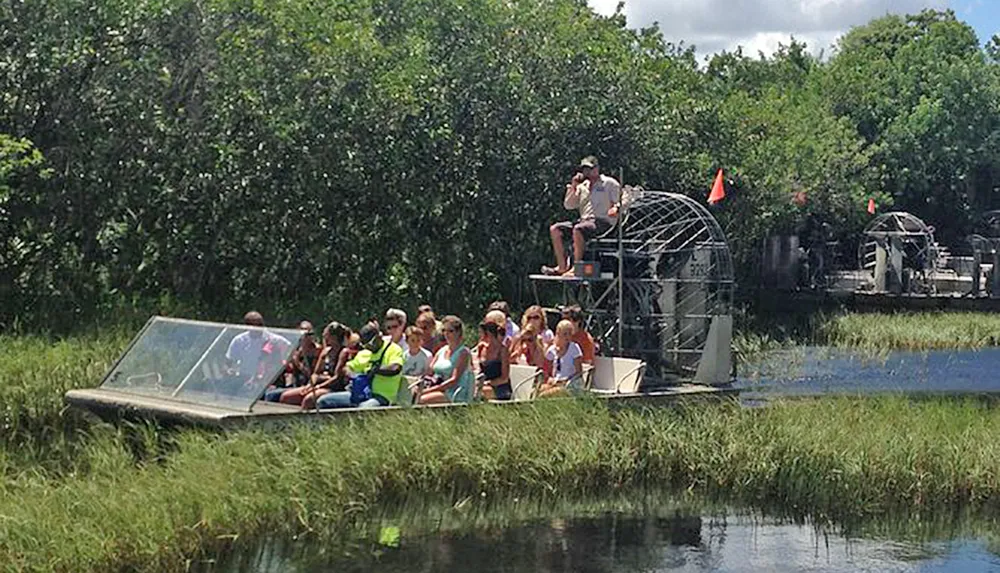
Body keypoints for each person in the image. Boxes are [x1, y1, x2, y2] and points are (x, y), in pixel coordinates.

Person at [544, 156, 626, 276]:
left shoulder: (609, 183)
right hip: (584, 220)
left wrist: (616, 208)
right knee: (555, 229)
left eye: (590, 169)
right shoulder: (583, 186)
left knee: (578, 229)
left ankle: (576, 268)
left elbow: (622, 200)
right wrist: (573, 186)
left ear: (597, 168)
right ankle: (562, 266)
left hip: (603, 222)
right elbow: (569, 205)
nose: (587, 172)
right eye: (585, 169)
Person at [316, 322, 405, 409]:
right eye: (366, 345)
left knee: (362, 408)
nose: (370, 347)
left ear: (379, 336)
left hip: (381, 396)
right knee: (323, 401)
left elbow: (395, 368)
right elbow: (347, 368)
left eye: (371, 343)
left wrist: (375, 370)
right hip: (359, 394)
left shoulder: (393, 349)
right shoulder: (364, 353)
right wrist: (352, 374)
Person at [279, 321, 352, 408]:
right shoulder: (325, 351)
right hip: (318, 385)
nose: (324, 337)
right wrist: (311, 385)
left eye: (326, 335)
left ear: (333, 337)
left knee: (308, 400)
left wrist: (318, 386)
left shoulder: (343, 352)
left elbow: (336, 377)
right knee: (286, 397)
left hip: (333, 388)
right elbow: (316, 373)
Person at [223, 311, 291, 392]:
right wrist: (229, 370)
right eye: (255, 325)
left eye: (260, 324)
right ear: (247, 326)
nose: (259, 328)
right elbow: (228, 361)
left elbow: (291, 349)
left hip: (267, 381)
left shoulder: (273, 340)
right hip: (244, 378)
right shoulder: (239, 340)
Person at [418, 316, 475, 405]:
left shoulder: (463, 353)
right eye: (444, 330)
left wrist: (429, 390)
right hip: (437, 388)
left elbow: (454, 380)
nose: (446, 334)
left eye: (450, 331)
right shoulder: (441, 351)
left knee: (421, 400)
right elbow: (429, 372)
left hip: (454, 392)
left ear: (458, 332)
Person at [262, 320, 319, 402]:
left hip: (307, 386)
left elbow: (312, 374)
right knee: (267, 392)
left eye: (309, 334)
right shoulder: (296, 350)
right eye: (303, 334)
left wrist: (298, 363)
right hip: (293, 385)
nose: (305, 337)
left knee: (272, 395)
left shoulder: (317, 351)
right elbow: (289, 371)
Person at [538, 320, 584, 397]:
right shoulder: (552, 350)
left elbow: (578, 372)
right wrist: (550, 379)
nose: (567, 337)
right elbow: (546, 370)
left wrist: (564, 381)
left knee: (544, 395)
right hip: (556, 382)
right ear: (558, 334)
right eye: (565, 334)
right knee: (539, 390)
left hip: (570, 384)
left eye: (570, 334)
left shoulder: (574, 348)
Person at [476, 320, 511, 401]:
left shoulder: (502, 351)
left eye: (481, 333)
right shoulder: (482, 348)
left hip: (500, 387)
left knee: (480, 392)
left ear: (489, 334)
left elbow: (504, 378)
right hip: (484, 385)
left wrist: (487, 383)